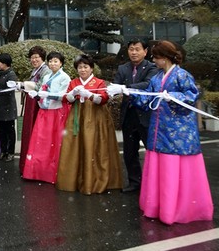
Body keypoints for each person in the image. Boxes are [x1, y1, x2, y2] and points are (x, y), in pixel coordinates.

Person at [110, 40, 213, 224]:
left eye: (156, 58)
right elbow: (146, 99)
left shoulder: (182, 75)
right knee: (162, 168)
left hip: (178, 133)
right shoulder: (157, 78)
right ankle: (160, 207)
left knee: (174, 169)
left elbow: (191, 96)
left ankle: (178, 209)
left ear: (164, 58)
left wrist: (174, 96)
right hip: (159, 130)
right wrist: (128, 92)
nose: (154, 61)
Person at [55, 54, 123, 195]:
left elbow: (103, 99)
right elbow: (66, 99)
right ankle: (76, 179)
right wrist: (72, 94)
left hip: (95, 116)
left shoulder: (98, 82)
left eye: (86, 67)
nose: (83, 70)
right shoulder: (73, 82)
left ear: (91, 68)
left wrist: (89, 95)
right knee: (75, 146)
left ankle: (95, 180)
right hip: (77, 116)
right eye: (80, 67)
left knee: (95, 145)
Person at [113, 39, 158, 193]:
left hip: (146, 114)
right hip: (129, 114)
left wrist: (126, 88)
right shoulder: (123, 68)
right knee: (130, 151)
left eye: (137, 49)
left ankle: (154, 183)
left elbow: (148, 84)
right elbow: (115, 84)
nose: (133, 52)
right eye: (131, 49)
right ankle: (135, 182)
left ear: (145, 51)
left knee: (151, 150)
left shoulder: (152, 68)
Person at [22, 51, 70, 184]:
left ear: (61, 63)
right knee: (40, 141)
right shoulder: (47, 75)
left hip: (56, 112)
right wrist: (37, 95)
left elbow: (63, 95)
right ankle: (38, 171)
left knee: (53, 142)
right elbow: (42, 91)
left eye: (56, 61)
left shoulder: (65, 77)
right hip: (44, 110)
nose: (52, 63)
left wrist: (45, 95)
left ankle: (52, 173)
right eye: (50, 61)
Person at [14, 46, 51, 175]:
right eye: (32, 57)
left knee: (34, 132)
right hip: (31, 102)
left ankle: (33, 165)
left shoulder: (45, 70)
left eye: (37, 57)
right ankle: (28, 164)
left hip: (37, 103)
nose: (34, 60)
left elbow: (42, 86)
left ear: (42, 58)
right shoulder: (35, 70)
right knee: (29, 131)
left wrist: (25, 85)